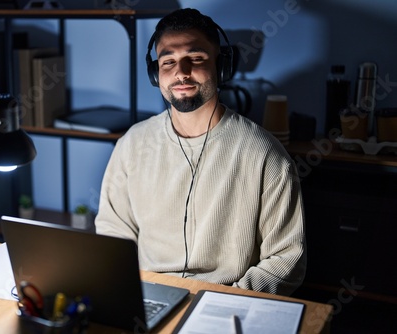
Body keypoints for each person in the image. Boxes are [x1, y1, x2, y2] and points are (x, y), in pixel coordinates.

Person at [95, 8, 306, 296]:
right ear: (155, 74)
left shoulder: (265, 154)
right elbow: (113, 231)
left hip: (226, 300)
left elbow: (286, 260)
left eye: (195, 59)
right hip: (147, 295)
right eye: (168, 61)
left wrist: (226, 300)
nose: (180, 73)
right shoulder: (132, 144)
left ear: (221, 67)